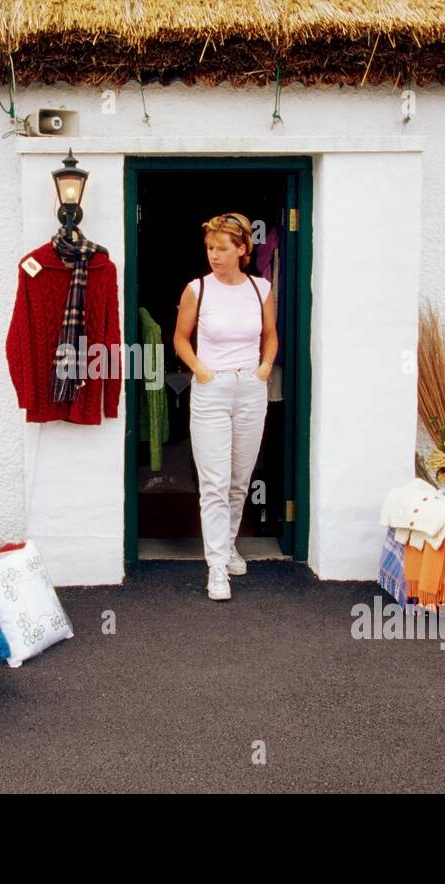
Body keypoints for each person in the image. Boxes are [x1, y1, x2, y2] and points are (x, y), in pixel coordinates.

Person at [172, 213, 278, 601]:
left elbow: (271, 335)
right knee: (214, 482)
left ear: (241, 248)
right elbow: (180, 338)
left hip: (250, 387)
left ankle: (229, 544)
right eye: (209, 248)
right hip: (212, 389)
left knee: (239, 478)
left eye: (221, 248)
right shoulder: (197, 289)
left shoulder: (260, 288)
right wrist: (200, 370)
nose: (213, 255)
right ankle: (216, 566)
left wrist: (264, 368)